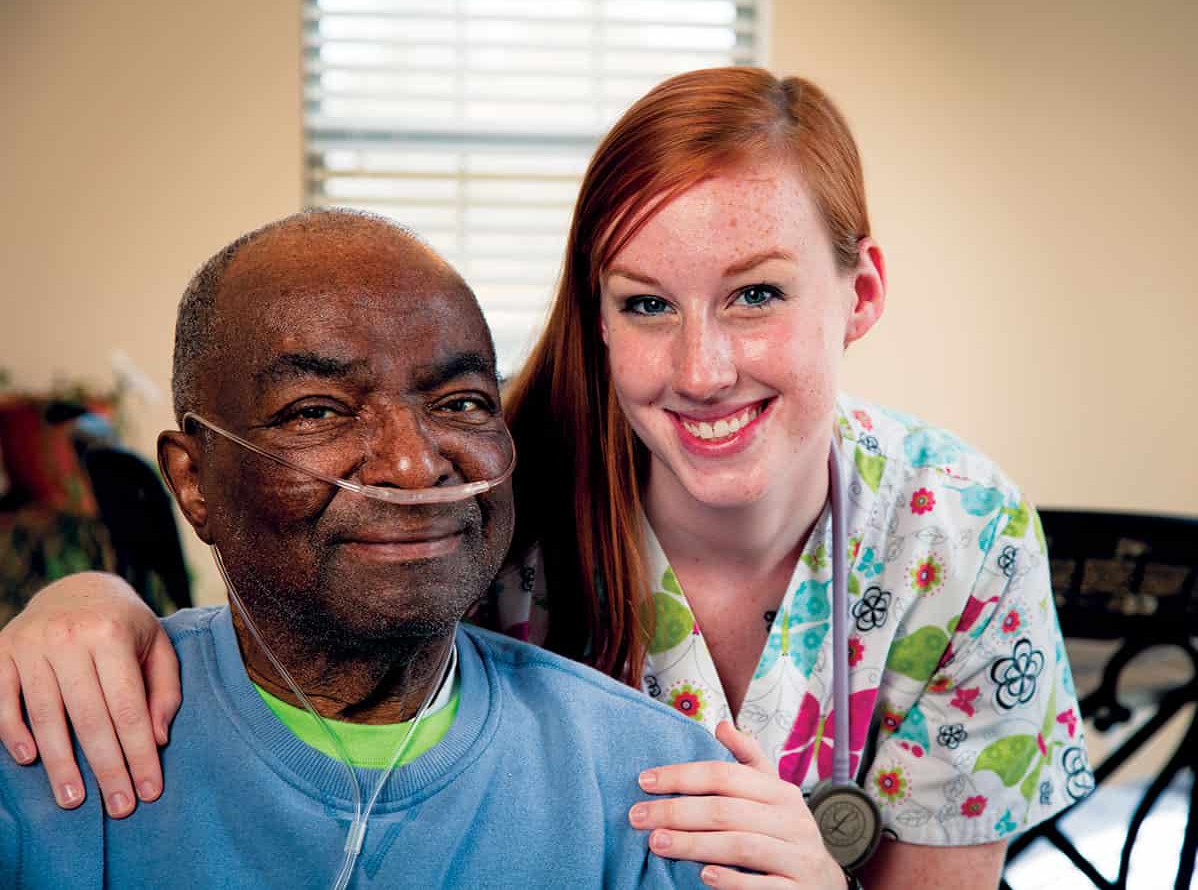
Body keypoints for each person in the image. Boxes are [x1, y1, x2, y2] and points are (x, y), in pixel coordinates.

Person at [0, 67, 1091, 888]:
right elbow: (290, 621)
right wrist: (90, 600)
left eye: (756, 294)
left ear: (859, 294)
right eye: (646, 302)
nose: (702, 370)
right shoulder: (479, 493)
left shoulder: (958, 536)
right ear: (597, 318)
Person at [0, 210, 740, 889]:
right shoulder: (44, 754)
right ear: (194, 481)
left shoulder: (660, 792)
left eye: (461, 403)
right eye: (316, 412)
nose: (413, 465)